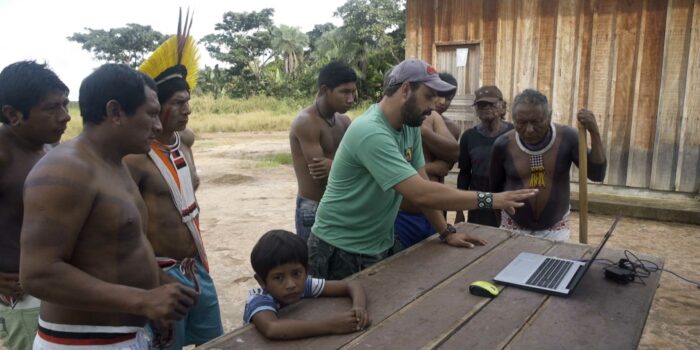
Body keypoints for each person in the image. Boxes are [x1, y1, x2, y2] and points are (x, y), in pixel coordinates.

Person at [308, 58, 538, 280]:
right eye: (428, 96)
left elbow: (424, 187)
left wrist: (446, 232)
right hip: (339, 247)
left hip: (377, 243)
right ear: (406, 90)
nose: (433, 106)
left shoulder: (409, 127)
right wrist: (492, 200)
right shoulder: (370, 131)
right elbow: (420, 192)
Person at [20, 64, 197, 349]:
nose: (158, 125)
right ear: (115, 112)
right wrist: (142, 300)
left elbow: (119, 247)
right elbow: (38, 274)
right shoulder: (64, 172)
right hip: (82, 343)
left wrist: (157, 287)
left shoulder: (115, 163)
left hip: (124, 336)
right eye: (151, 113)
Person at [125, 15, 224, 349]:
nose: (188, 109)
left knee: (214, 342)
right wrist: (153, 281)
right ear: (156, 108)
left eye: (188, 100)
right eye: (178, 103)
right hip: (162, 272)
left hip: (197, 268)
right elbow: (128, 228)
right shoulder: (134, 158)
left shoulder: (186, 140)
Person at [0, 61, 70, 350]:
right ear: (13, 114)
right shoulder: (3, 155)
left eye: (66, 104)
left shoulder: (49, 147)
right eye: (52, 108)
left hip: (58, 290)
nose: (65, 116)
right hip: (25, 300)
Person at [490, 89, 606, 241]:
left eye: (537, 122)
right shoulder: (503, 144)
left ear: (549, 117)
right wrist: (501, 222)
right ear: (513, 119)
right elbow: (494, 190)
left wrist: (594, 132)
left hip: (556, 228)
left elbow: (597, 175)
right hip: (512, 225)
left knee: (553, 265)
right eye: (521, 123)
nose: (529, 130)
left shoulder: (568, 138)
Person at [244, 230, 370, 340]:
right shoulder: (259, 299)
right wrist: (332, 325)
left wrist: (359, 307)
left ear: (306, 270)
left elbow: (351, 285)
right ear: (261, 281)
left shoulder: (305, 285)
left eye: (296, 273)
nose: (291, 284)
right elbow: (272, 328)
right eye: (278, 277)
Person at [290, 62, 357, 242]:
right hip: (314, 208)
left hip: (341, 204)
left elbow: (353, 162)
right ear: (325, 90)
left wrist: (337, 166)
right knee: (313, 268)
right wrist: (353, 168)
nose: (351, 99)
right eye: (344, 92)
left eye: (353, 91)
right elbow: (320, 174)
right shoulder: (307, 122)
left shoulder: (344, 121)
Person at [392, 73, 460, 248]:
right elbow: (402, 176)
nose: (440, 102)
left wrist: (424, 131)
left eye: (449, 98)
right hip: (401, 215)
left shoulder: (436, 121)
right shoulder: (386, 126)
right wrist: (489, 199)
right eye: (431, 96)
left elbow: (452, 154)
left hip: (434, 212)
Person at [455, 85, 514, 227]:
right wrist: (459, 210)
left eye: (491, 104)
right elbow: (464, 174)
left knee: (509, 238)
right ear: (476, 110)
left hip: (508, 196)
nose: (486, 108)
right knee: (481, 236)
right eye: (481, 105)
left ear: (502, 106)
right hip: (481, 198)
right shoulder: (469, 137)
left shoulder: (514, 133)